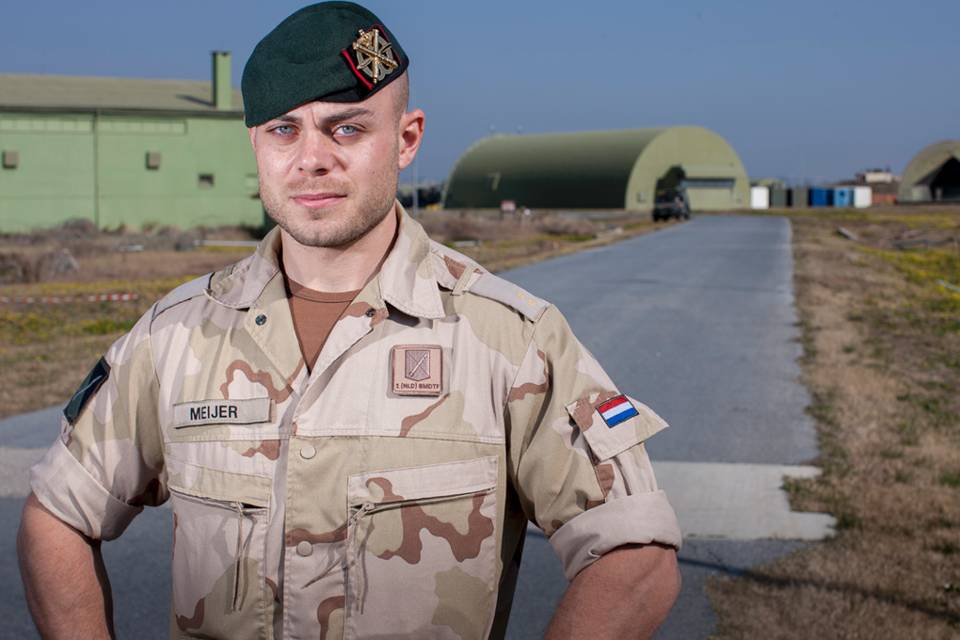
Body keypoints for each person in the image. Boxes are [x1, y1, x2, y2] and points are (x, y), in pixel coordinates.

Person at [17, 3, 682, 638]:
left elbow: (637, 556)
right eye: (284, 130)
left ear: (406, 139)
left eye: (347, 128)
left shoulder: (510, 340)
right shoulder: (176, 336)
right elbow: (56, 517)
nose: (312, 157)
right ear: (256, 144)